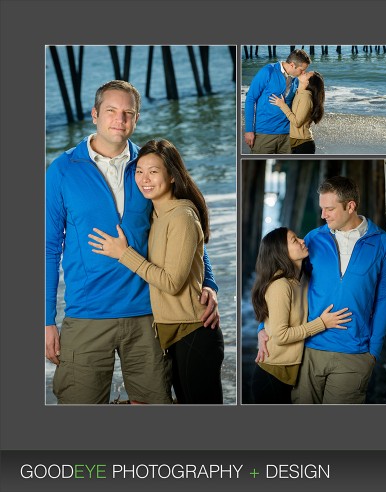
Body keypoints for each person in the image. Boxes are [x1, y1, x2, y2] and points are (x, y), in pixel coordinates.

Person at [45, 80, 219, 405]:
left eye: (128, 113)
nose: (119, 120)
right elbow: (47, 249)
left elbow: (183, 224)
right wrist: (45, 321)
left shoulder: (147, 167)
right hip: (87, 315)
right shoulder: (62, 170)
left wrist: (208, 283)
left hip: (147, 316)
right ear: (95, 114)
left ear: (136, 119)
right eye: (111, 111)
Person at [89, 139, 225, 404]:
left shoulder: (181, 216)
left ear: (172, 176)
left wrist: (123, 253)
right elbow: (196, 257)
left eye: (154, 171)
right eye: (139, 171)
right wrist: (209, 283)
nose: (144, 179)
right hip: (174, 331)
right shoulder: (157, 213)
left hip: (193, 330)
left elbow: (172, 283)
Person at [258, 176, 386, 404]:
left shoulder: (382, 243)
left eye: (329, 209)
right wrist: (265, 325)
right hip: (308, 350)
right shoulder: (313, 239)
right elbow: (285, 283)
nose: (323, 215)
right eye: (321, 208)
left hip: (355, 354)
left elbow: (383, 297)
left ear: (350, 206)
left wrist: (373, 351)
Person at [249, 227, 352, 404]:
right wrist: (322, 323)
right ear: (281, 251)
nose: (302, 241)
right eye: (294, 240)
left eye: (298, 237)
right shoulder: (280, 285)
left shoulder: (301, 279)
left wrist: (263, 328)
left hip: (290, 375)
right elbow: (280, 336)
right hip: (272, 375)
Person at [244, 49, 310, 154]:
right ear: (292, 65)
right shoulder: (267, 71)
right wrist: (249, 130)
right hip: (265, 133)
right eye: (302, 70)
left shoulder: (297, 81)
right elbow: (250, 99)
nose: (303, 73)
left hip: (288, 135)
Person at [269, 71, 325, 154]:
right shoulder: (298, 93)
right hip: (294, 142)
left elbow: (297, 122)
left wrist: (282, 105)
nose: (303, 72)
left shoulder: (305, 98)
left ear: (307, 82)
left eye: (306, 74)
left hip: (303, 144)